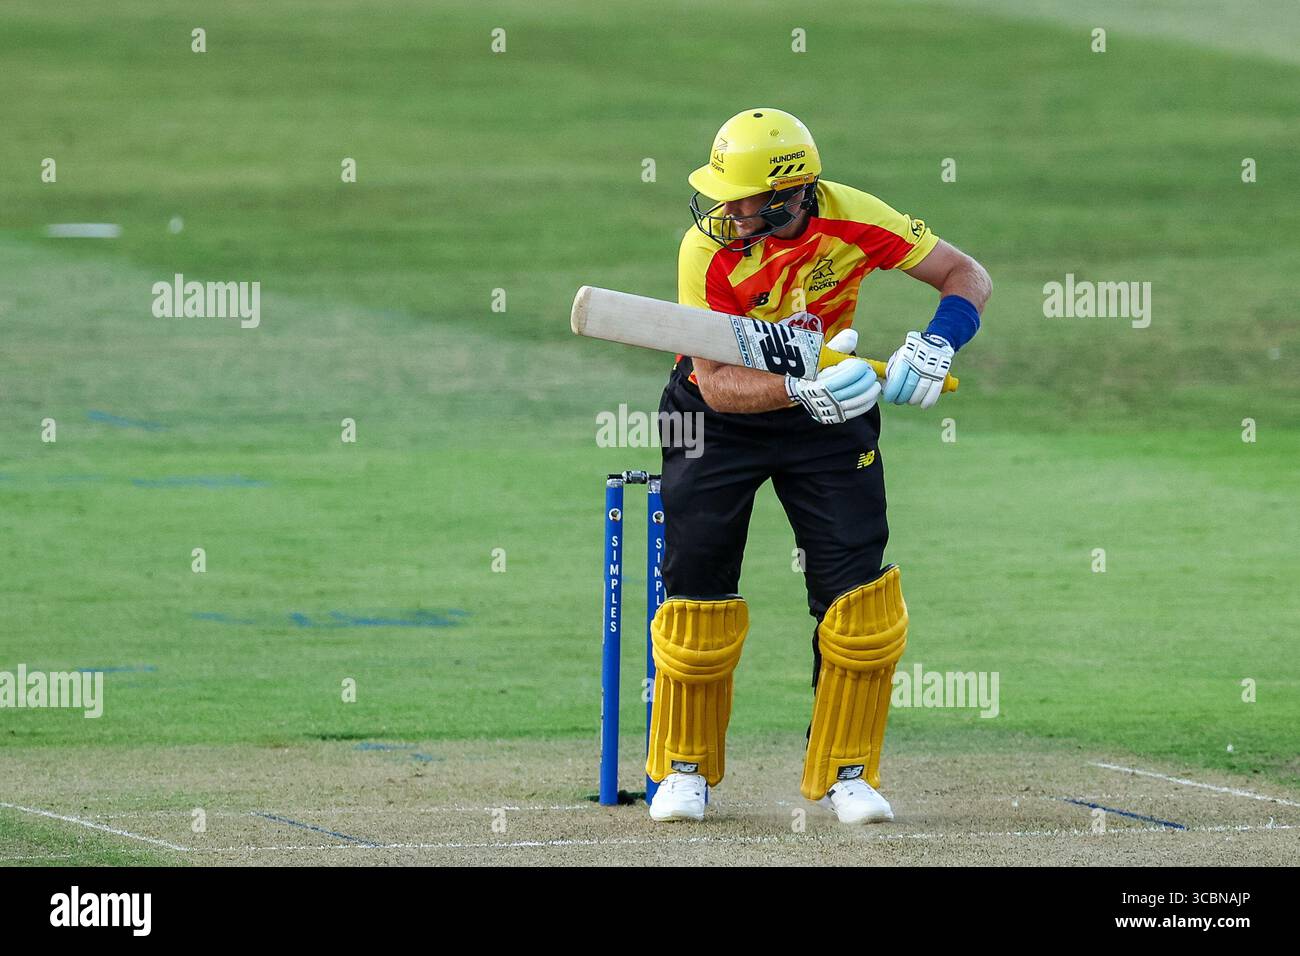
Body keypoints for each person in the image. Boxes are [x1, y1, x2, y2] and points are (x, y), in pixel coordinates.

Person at [645, 108, 991, 824]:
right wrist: (799, 389)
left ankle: (848, 772)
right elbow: (713, 381)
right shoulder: (704, 251)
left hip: (834, 409)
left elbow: (965, 274)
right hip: (716, 413)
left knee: (859, 599)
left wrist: (936, 344)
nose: (726, 210)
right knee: (696, 583)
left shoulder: (853, 217)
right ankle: (684, 769)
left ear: (790, 194)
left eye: (740, 197)